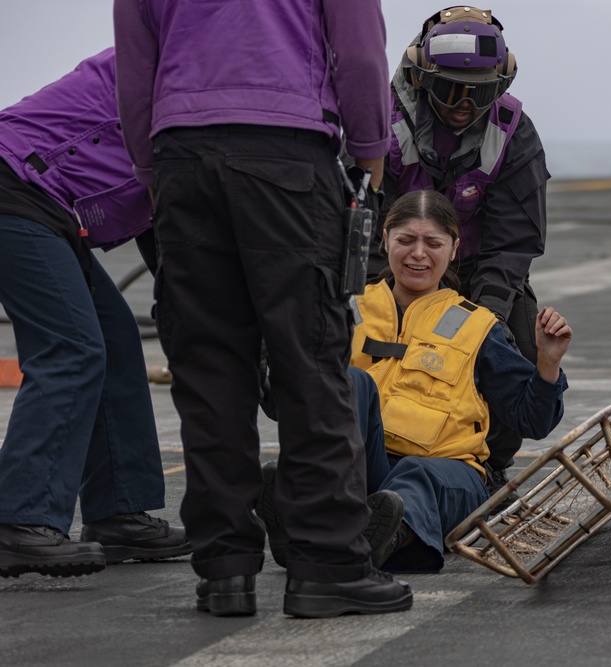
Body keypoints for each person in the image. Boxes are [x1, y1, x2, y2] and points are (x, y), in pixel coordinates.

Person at [113, 0, 412, 618]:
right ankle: (328, 564)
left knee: (208, 372)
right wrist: (369, 161)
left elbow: (134, 68)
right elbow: (358, 51)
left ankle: (224, 570)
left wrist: (154, 171)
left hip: (180, 161)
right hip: (284, 155)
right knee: (309, 365)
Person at [259, 190, 571, 573]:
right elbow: (283, 404)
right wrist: (270, 352)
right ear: (384, 239)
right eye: (405, 240)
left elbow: (532, 419)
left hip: (448, 474)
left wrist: (547, 362)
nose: (418, 254)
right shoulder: (345, 309)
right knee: (352, 380)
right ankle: (326, 517)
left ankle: (331, 528)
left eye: (433, 243)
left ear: (454, 249)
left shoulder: (477, 325)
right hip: (362, 470)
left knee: (414, 477)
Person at [0, 48, 190, 579]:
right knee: (73, 348)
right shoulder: (176, 66)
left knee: (115, 339)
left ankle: (117, 512)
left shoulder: (205, 77)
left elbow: (168, 242)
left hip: (49, 207)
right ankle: (19, 521)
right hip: (14, 184)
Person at [372, 7, 551, 503]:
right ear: (419, 75)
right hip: (392, 270)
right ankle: (370, 449)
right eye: (451, 89)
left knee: (508, 340)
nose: (464, 105)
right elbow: (359, 222)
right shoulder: (379, 123)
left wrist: (482, 316)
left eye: (480, 92)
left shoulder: (514, 132)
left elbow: (514, 240)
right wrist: (390, 294)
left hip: (475, 271)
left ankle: (488, 465)